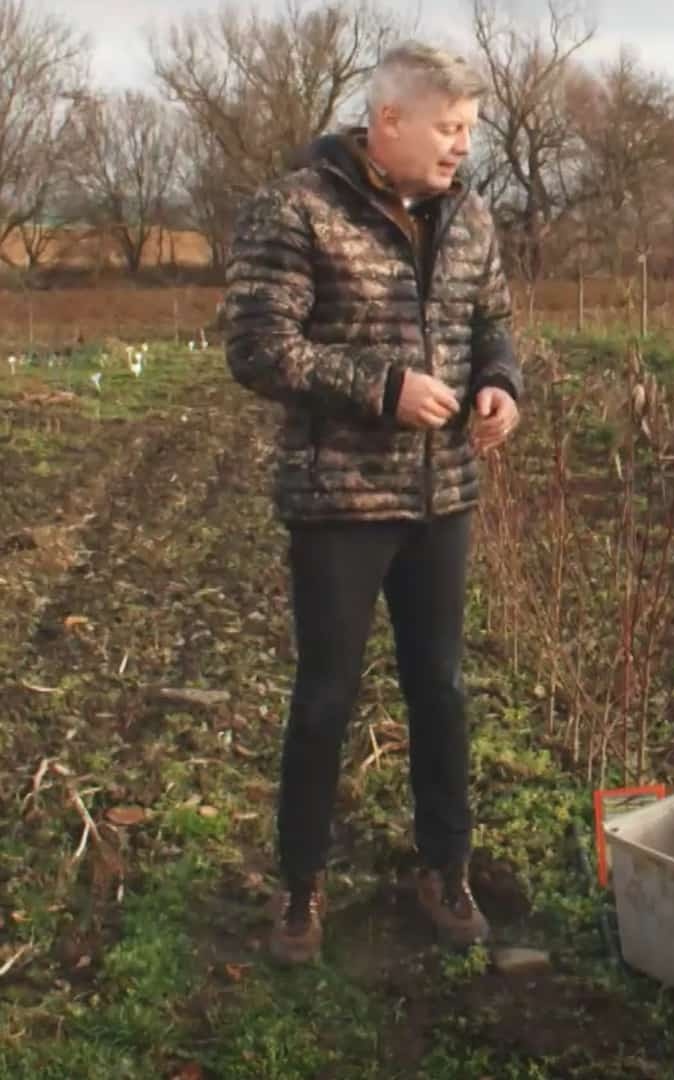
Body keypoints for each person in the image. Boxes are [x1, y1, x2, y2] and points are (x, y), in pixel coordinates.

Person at [221, 41, 523, 966]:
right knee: (325, 697)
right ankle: (301, 888)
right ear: (388, 121)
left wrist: (501, 386)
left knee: (442, 689)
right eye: (448, 128)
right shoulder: (296, 207)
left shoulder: (470, 217)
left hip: (443, 499)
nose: (461, 149)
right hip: (340, 499)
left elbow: (493, 322)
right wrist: (381, 387)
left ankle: (445, 866)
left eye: (470, 132)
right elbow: (257, 347)